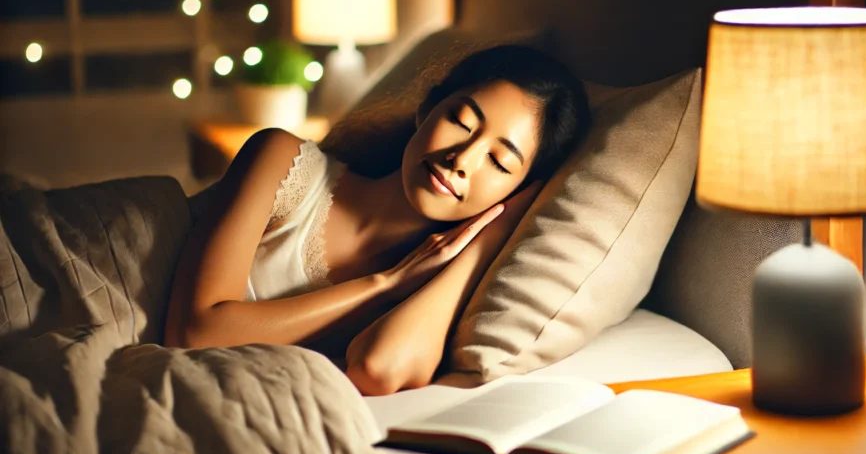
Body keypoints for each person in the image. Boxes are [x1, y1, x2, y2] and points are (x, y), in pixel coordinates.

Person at [164, 45, 591, 396]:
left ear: (516, 192)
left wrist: (489, 238)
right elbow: (193, 336)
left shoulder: (430, 292)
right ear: (426, 109)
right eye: (461, 122)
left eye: (498, 162)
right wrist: (384, 283)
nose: (461, 160)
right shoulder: (281, 161)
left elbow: (379, 368)